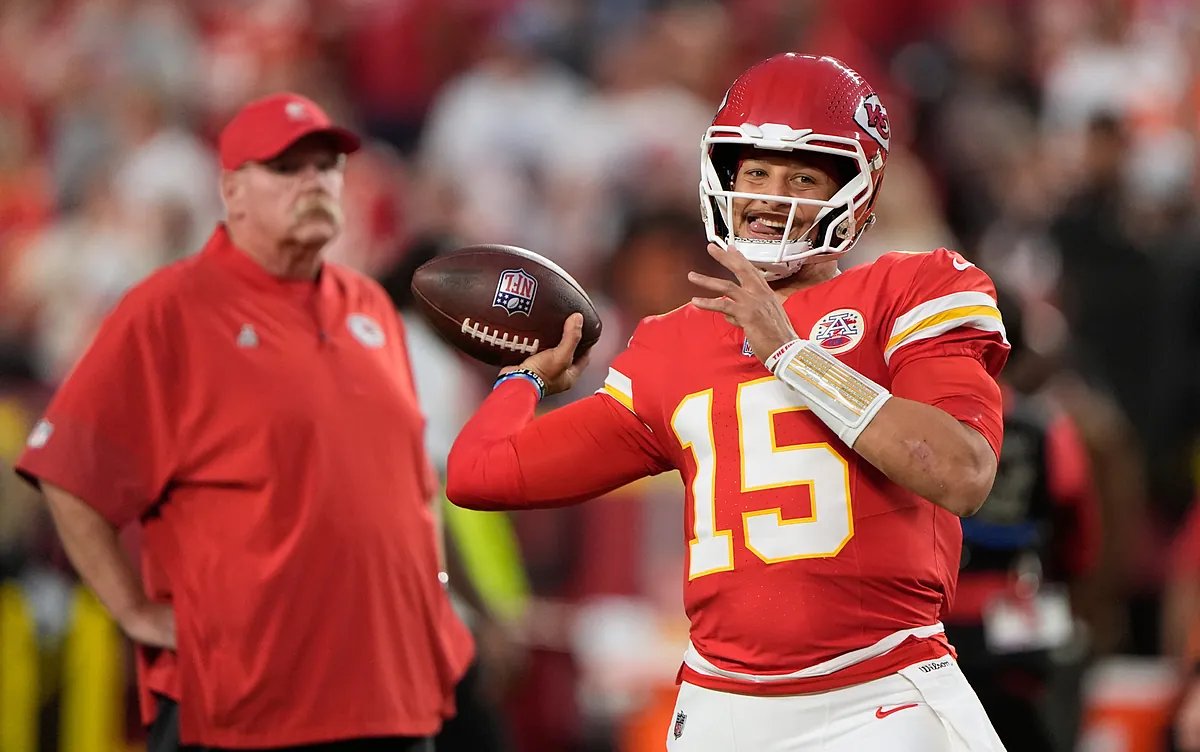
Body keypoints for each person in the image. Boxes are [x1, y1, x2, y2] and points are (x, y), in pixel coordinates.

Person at [447, 54, 1011, 751]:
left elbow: (961, 472)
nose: (772, 197)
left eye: (802, 177)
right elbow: (479, 473)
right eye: (756, 173)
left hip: (881, 694)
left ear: (858, 193)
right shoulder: (672, 344)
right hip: (721, 708)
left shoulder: (912, 288)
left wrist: (793, 355)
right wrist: (524, 379)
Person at [15, 93, 473, 751]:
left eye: (327, 166)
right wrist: (132, 610)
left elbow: (412, 488)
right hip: (246, 702)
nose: (314, 182)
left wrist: (437, 606)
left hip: (391, 696)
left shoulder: (371, 307)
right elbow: (68, 472)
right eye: (286, 169)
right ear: (232, 191)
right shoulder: (171, 310)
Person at [944, 288, 1100, 752]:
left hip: (929, 621)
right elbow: (1078, 531)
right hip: (1018, 616)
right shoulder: (1048, 427)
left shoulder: (919, 420)